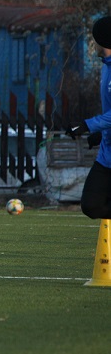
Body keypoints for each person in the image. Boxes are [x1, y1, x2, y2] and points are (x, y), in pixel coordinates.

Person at [67, 16, 111, 219]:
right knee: (91, 205)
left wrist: (88, 125)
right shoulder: (105, 67)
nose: (92, 43)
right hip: (106, 154)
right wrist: (101, 134)